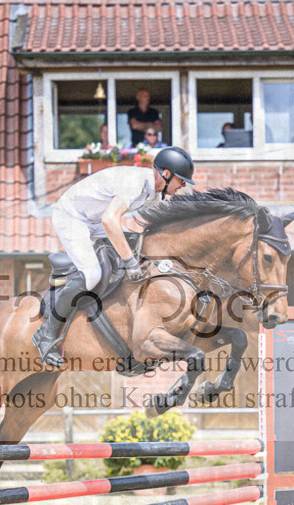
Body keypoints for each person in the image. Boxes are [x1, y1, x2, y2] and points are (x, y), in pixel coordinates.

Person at [32, 146, 196, 367]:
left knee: (137, 242)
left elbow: (152, 231)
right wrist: (129, 261)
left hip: (94, 219)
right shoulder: (136, 182)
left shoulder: (155, 193)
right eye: (182, 180)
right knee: (92, 274)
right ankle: (46, 333)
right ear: (166, 174)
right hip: (72, 215)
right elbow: (110, 221)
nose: (183, 185)